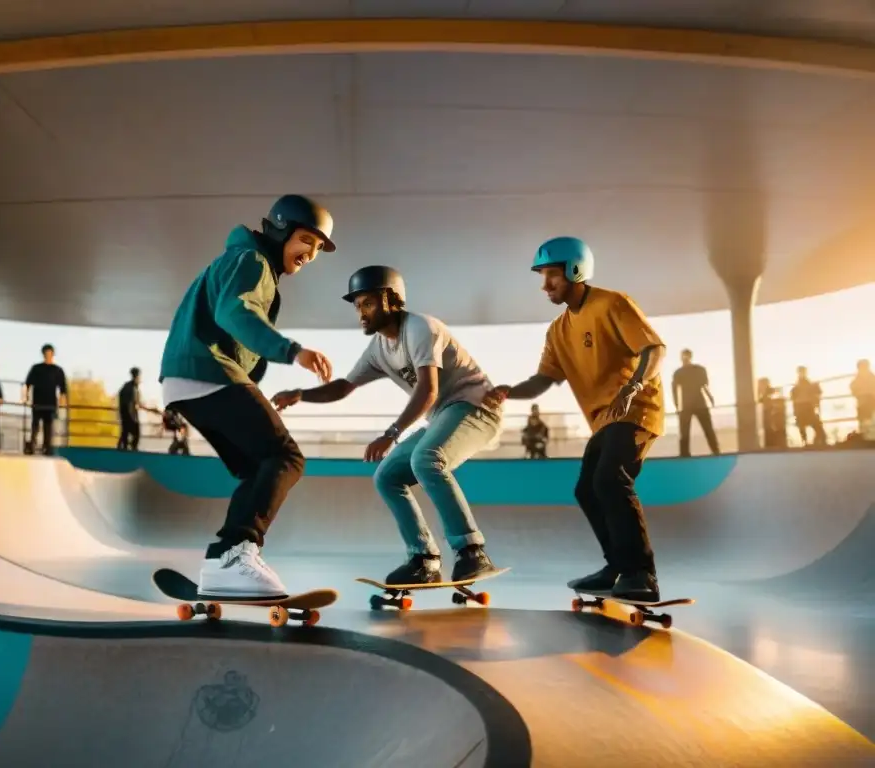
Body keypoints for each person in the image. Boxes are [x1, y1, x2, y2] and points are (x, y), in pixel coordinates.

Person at [272, 266, 502, 586]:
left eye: (367, 304)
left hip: (477, 409)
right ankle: (423, 558)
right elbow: (343, 387)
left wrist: (391, 434)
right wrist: (300, 394)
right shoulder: (378, 349)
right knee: (387, 476)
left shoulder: (421, 328)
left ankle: (472, 552)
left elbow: (428, 389)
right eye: (357, 307)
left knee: (427, 459)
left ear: (391, 300)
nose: (361, 314)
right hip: (443, 416)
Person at [158, 194, 336, 599]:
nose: (310, 253)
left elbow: (232, 326)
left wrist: (253, 383)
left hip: (188, 378)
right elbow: (235, 314)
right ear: (281, 229)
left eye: (318, 248)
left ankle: (222, 559)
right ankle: (237, 554)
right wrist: (293, 351)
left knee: (258, 469)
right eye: (306, 240)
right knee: (286, 458)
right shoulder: (253, 262)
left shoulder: (244, 262)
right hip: (207, 369)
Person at [486, 237, 666, 602]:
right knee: (587, 489)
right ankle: (617, 566)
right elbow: (544, 381)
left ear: (576, 270)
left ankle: (640, 573)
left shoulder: (613, 304)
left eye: (552, 276)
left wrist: (632, 386)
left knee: (610, 479)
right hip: (603, 421)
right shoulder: (557, 331)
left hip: (637, 409)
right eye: (542, 277)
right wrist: (509, 391)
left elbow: (654, 348)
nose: (545, 285)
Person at [672, 349, 719, 456]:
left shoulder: (699, 370)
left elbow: (704, 386)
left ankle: (716, 451)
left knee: (708, 429)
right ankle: (684, 454)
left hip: (699, 403)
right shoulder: (678, 373)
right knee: (684, 433)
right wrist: (677, 406)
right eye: (684, 356)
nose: (685, 358)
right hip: (687, 405)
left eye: (686, 356)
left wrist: (710, 397)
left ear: (690, 357)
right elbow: (674, 390)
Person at [23, 344, 68, 455]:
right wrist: (26, 397)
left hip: (50, 403)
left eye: (50, 354)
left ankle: (47, 447)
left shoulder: (57, 370)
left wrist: (62, 403)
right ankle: (32, 445)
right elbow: (27, 383)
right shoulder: (36, 368)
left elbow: (63, 388)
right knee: (35, 425)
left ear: (53, 355)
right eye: (46, 353)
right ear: (43, 354)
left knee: (48, 426)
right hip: (38, 402)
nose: (48, 355)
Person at [117, 367, 144, 451]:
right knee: (134, 433)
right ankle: (129, 450)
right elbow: (130, 404)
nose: (140, 379)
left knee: (125, 434)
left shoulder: (129, 387)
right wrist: (133, 418)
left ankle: (123, 449)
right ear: (136, 376)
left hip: (126, 415)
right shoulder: (131, 388)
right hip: (129, 415)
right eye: (139, 376)